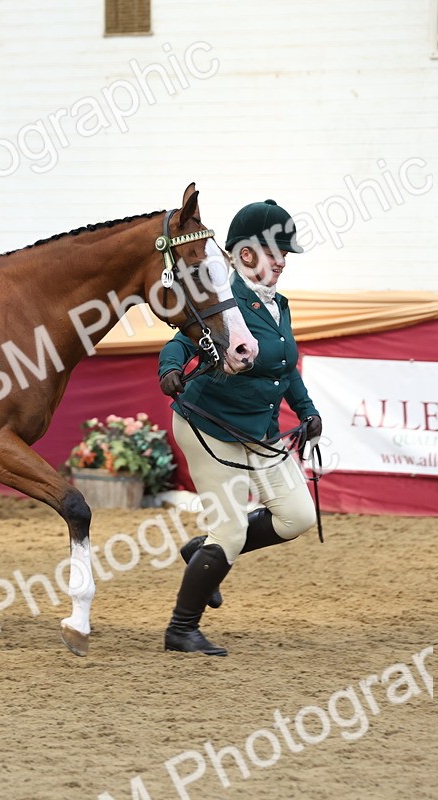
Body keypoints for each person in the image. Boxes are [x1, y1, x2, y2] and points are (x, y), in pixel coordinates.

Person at [159, 199, 322, 656]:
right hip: (210, 427)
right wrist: (169, 371)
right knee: (229, 531)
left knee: (296, 517)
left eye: (286, 255)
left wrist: (306, 411)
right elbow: (177, 341)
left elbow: (285, 369)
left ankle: (200, 551)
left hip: (260, 430)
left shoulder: (278, 306)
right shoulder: (225, 302)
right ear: (246, 254)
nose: (283, 262)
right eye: (276, 253)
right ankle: (181, 629)